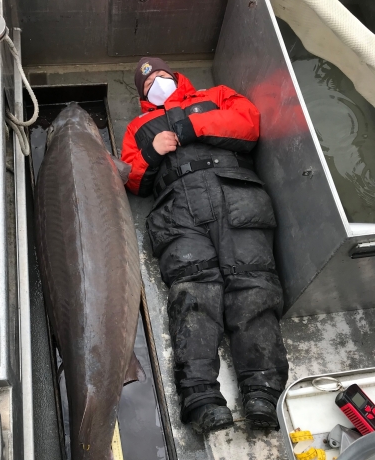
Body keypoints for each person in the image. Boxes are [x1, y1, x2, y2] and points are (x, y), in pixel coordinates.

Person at [121, 57, 289, 435]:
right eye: (147, 85)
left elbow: (248, 125)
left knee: (253, 285)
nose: (156, 83)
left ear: (176, 76)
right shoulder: (138, 126)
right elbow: (131, 177)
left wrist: (191, 125)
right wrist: (152, 152)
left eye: (161, 75)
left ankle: (262, 391)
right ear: (141, 98)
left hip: (236, 195)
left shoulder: (215, 96)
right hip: (178, 209)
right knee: (193, 293)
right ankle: (201, 398)